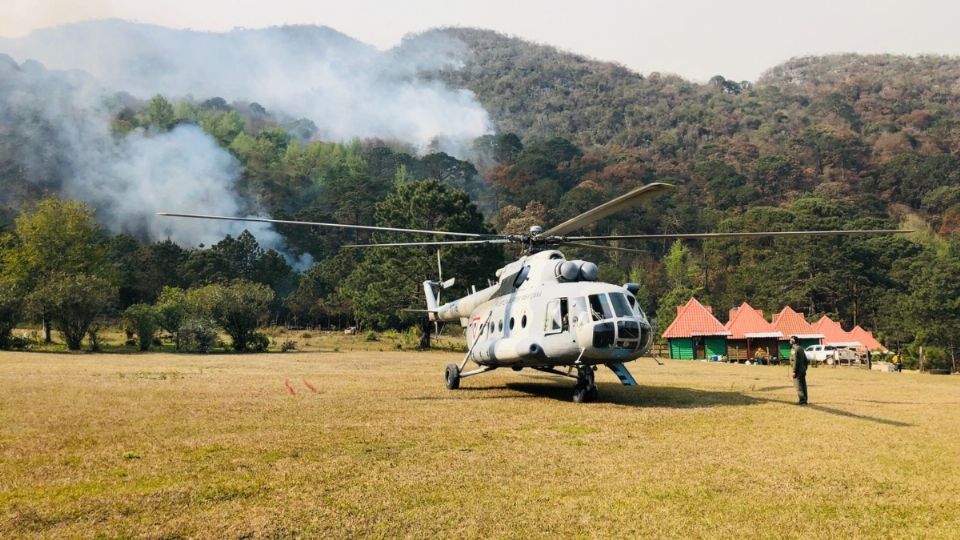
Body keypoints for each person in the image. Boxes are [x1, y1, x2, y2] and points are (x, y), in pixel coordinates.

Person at [789, 336, 808, 405]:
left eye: (790, 340)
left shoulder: (794, 349)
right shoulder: (801, 348)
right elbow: (806, 360)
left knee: (798, 386)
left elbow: (795, 361)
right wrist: (805, 368)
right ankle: (805, 399)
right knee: (803, 385)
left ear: (793, 341)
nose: (789, 341)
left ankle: (802, 401)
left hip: (797, 370)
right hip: (803, 370)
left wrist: (794, 371)